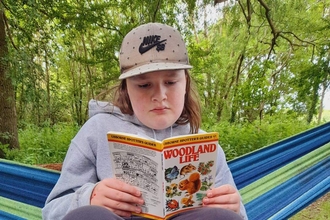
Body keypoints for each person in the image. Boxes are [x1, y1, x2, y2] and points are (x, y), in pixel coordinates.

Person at [42, 22, 248, 220]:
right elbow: (51, 212)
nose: (160, 95)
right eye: (144, 85)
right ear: (126, 89)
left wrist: (232, 206)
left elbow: (240, 215)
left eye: (170, 82)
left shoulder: (205, 145)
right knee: (87, 216)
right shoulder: (96, 131)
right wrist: (90, 197)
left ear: (186, 82)